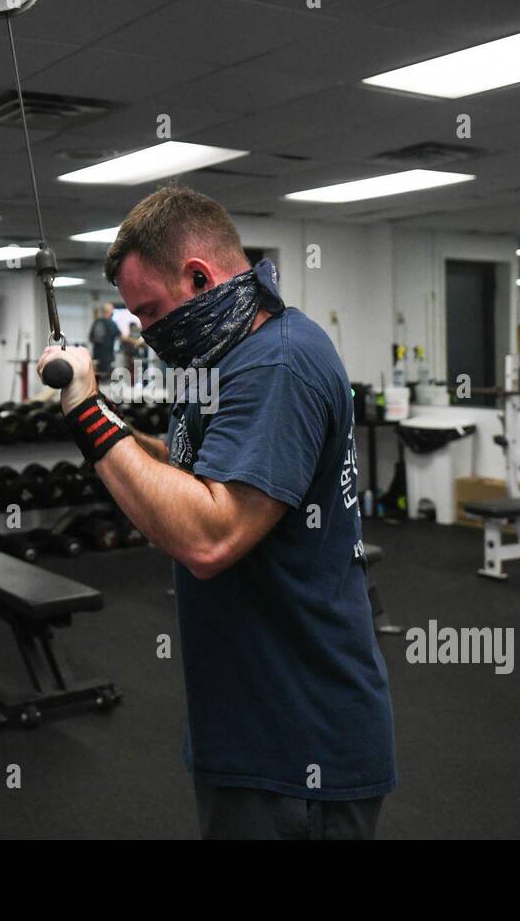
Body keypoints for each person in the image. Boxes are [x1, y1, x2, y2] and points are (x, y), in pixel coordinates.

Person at [38, 186, 395, 840]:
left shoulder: (277, 364)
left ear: (199, 277)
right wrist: (107, 428)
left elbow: (210, 536)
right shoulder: (227, 359)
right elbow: (188, 469)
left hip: (297, 744)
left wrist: (90, 415)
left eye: (150, 312)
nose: (146, 333)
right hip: (248, 725)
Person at [87, 302, 118, 379]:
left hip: (96, 356)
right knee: (107, 381)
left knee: (97, 378)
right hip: (107, 357)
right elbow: (121, 336)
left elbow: (90, 338)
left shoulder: (96, 322)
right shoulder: (111, 323)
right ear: (110, 311)